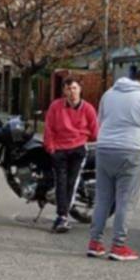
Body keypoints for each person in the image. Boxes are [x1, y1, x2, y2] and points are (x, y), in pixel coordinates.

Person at [87, 70, 140, 262]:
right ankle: (118, 245)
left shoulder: (109, 94)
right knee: (125, 200)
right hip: (131, 151)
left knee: (103, 198)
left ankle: (95, 243)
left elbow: (100, 121)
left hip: (104, 148)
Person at [44, 77, 99, 233]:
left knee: (71, 183)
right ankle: (62, 216)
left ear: (80, 89)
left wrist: (82, 138)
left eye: (74, 88)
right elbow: (49, 128)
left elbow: (95, 132)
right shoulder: (55, 106)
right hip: (59, 150)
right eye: (68, 89)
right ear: (64, 91)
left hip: (78, 149)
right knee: (60, 183)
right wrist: (51, 148)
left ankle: (63, 217)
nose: (71, 92)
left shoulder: (88, 109)